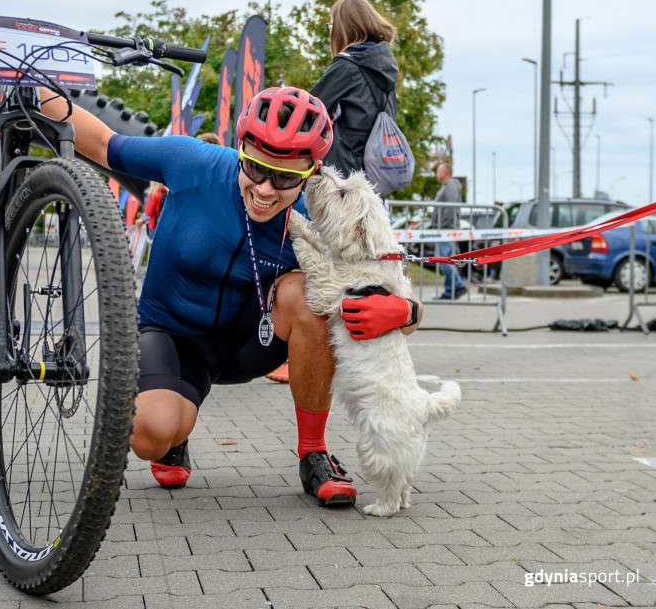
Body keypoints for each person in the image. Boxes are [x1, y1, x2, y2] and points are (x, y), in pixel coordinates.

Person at [40, 85, 424, 506]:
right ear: (240, 149)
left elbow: (383, 277)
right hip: (172, 337)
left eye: (284, 178)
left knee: (307, 294)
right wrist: (36, 91)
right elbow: (103, 143)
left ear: (310, 173)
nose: (265, 189)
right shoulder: (192, 162)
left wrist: (406, 311)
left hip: (251, 341)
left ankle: (313, 452)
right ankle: (175, 433)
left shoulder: (318, 212)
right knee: (148, 435)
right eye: (256, 169)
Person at [308, 0, 399, 179]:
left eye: (332, 26)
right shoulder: (385, 67)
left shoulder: (347, 67)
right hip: (375, 179)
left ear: (344, 29)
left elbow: (308, 110)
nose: (331, 32)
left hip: (343, 181)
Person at [431, 162, 467, 299]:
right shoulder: (448, 186)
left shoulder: (451, 186)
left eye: (438, 171)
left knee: (441, 259)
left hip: (446, 228)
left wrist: (443, 226)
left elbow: (450, 208)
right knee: (447, 260)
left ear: (444, 172)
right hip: (445, 228)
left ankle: (459, 286)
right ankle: (449, 291)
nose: (436, 174)